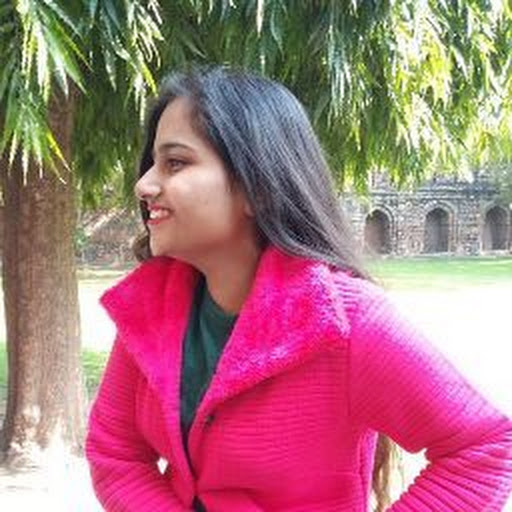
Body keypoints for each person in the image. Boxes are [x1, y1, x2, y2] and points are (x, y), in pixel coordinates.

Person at [85, 67, 512, 511]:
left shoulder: (345, 321)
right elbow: (116, 452)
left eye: (175, 163)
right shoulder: (150, 311)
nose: (143, 185)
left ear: (258, 187)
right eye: (152, 164)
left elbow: (485, 449)